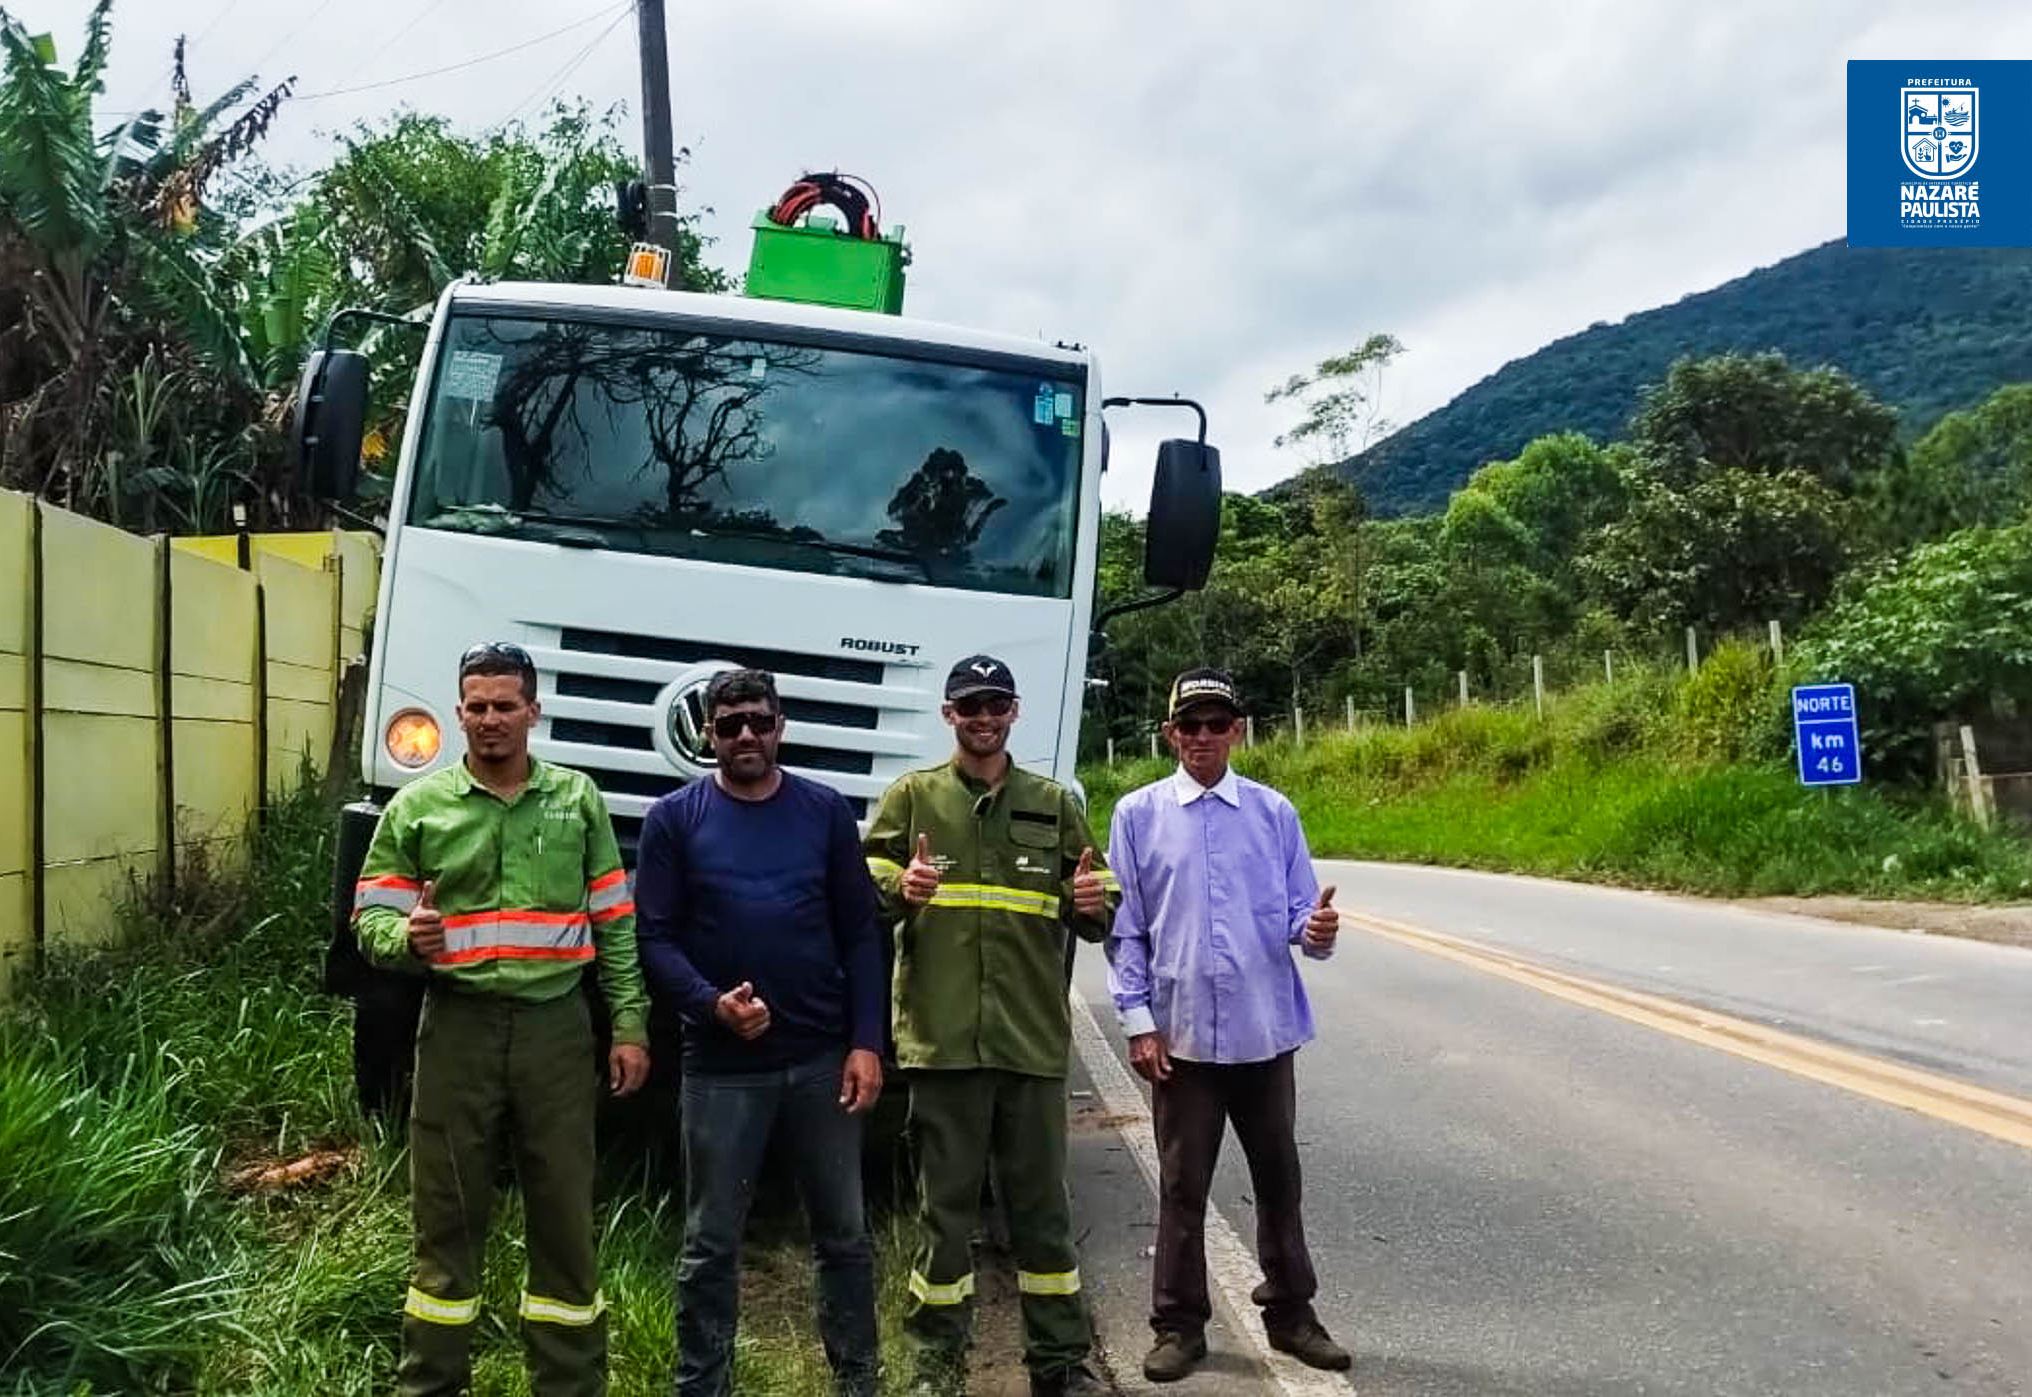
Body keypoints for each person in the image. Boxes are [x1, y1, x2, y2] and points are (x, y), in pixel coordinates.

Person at [353, 639, 651, 1397]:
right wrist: (404, 940)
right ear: (459, 714)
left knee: (563, 1220)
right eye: (477, 706)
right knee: (446, 1220)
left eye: (505, 705)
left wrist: (628, 1024)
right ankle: (431, 1383)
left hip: (556, 1030)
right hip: (458, 1029)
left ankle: (570, 1384)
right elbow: (371, 918)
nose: (491, 719)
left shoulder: (576, 800)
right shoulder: (418, 807)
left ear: (533, 712)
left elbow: (615, 921)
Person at [864, 654, 1119, 1397]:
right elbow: (864, 881)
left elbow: (1095, 905)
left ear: (1014, 711)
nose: (983, 718)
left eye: (996, 705)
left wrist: (1096, 899)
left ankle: (1060, 1366)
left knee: (1043, 1216)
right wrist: (900, 887)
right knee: (944, 1217)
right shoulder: (912, 799)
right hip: (944, 1043)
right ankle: (934, 1370)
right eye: (970, 706)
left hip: (1031, 1043)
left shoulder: (1052, 801)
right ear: (949, 715)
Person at [634, 668, 886, 1397]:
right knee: (711, 1241)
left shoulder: (826, 812)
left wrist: (866, 1041)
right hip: (720, 1067)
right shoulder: (674, 820)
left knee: (843, 1234)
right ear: (706, 733)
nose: (747, 734)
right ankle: (702, 1384)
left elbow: (861, 936)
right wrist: (712, 1004)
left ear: (782, 727)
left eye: (760, 721)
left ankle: (857, 1381)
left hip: (820, 1060)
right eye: (730, 723)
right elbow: (655, 938)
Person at [1104, 667, 1351, 1383]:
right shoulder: (1138, 815)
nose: (1203, 736)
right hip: (1180, 1040)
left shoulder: (1273, 813)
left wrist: (1321, 927)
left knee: (1280, 1177)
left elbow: (1305, 919)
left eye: (1217, 722)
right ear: (1170, 732)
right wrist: (1137, 1022)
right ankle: (1179, 1325)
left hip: (1264, 1032)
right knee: (1184, 1185)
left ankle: (1292, 1314)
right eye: (1191, 724)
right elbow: (1127, 933)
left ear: (1237, 729)